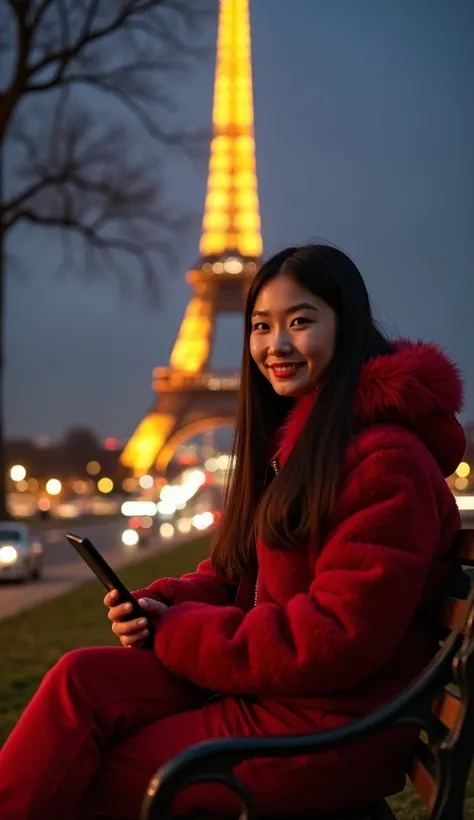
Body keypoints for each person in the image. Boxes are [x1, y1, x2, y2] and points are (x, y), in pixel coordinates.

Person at [0, 244, 465, 820]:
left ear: (347, 325)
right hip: (289, 694)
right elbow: (243, 576)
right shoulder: (312, 445)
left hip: (326, 726)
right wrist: (163, 604)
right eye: (261, 325)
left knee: (98, 773)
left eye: (300, 321)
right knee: (80, 680)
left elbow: (336, 636)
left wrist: (178, 631)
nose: (277, 344)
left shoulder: (383, 460)